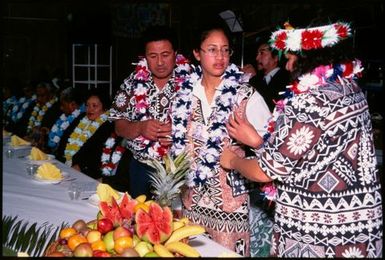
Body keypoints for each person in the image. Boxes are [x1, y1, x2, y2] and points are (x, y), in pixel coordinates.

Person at [220, 21, 383, 257]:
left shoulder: (308, 101)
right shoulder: (350, 87)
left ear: (307, 56)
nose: (287, 64)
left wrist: (232, 161)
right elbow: (311, 153)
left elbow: (265, 172)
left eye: (290, 57)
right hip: (360, 231)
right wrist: (257, 141)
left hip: (320, 235)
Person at [172, 24, 270, 256]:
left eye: (226, 50)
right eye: (212, 50)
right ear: (197, 53)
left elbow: (274, 149)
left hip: (231, 210)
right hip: (190, 205)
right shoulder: (184, 95)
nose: (221, 57)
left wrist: (252, 144)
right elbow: (177, 151)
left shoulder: (246, 96)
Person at [109, 25, 191, 198]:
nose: (160, 62)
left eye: (165, 55)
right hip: (140, 167)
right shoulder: (131, 83)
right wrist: (140, 127)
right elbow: (119, 126)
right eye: (153, 56)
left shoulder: (194, 81)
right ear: (144, 57)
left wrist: (180, 131)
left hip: (182, 168)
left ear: (176, 53)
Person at [63, 89, 112, 181]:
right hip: (68, 164)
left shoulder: (108, 125)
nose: (90, 109)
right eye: (87, 105)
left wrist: (81, 165)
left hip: (87, 171)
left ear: (105, 107)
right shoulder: (81, 117)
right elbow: (66, 137)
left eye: (94, 106)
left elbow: (98, 152)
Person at [243, 36, 290, 112]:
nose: (257, 58)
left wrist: (254, 77)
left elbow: (271, 103)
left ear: (276, 58)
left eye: (262, 53)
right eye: (257, 54)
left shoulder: (285, 78)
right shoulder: (260, 78)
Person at [46, 87, 85, 154]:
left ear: (72, 105)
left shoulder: (81, 121)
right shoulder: (65, 116)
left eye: (63, 105)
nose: (61, 108)